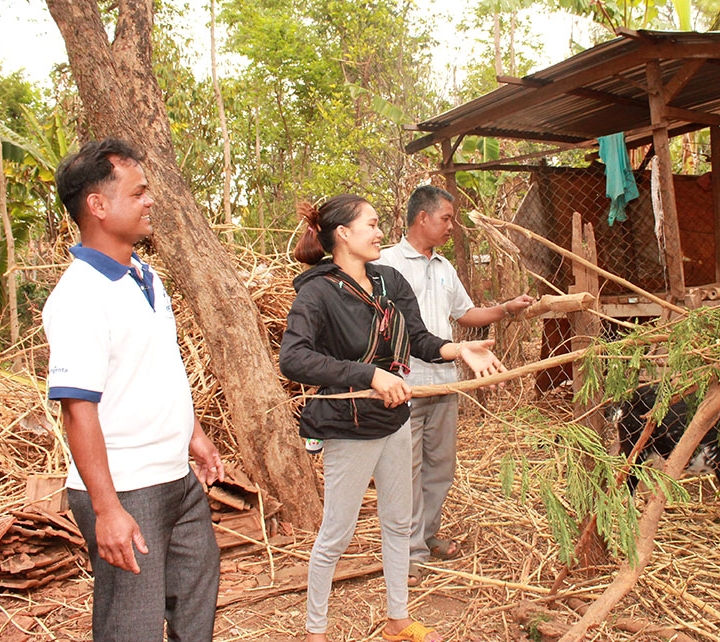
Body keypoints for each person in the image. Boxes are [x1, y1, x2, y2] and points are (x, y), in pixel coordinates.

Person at [279, 194, 505, 642]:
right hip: (348, 424)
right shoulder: (317, 292)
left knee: (398, 522)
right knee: (336, 534)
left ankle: (397, 620)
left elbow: (419, 339)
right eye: (373, 224)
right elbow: (294, 358)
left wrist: (459, 349)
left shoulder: (389, 281)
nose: (381, 232)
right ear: (343, 234)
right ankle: (314, 631)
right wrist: (369, 374)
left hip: (394, 419)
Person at [43, 138, 224, 641]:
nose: (150, 200)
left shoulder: (144, 277)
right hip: (126, 489)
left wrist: (194, 435)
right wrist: (107, 510)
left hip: (177, 479)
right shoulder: (80, 296)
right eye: (138, 192)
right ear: (98, 206)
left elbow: (157, 369)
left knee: (195, 607)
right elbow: (78, 410)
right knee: (133, 626)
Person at [376, 184, 534, 585]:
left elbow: (465, 314)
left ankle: (426, 536)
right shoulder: (386, 264)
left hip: (446, 383)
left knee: (439, 468)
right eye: (446, 218)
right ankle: (407, 553)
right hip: (404, 386)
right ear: (422, 218)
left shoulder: (445, 268)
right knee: (405, 472)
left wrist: (504, 309)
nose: (452, 226)